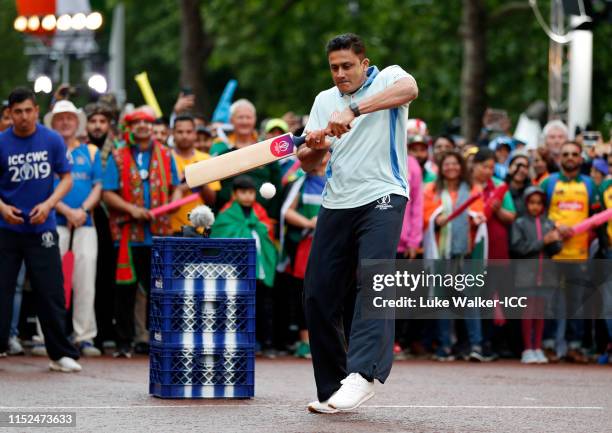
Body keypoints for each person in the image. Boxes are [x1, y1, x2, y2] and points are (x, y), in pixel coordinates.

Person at [296, 33, 418, 413]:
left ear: (364, 63)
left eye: (347, 65)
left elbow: (410, 88)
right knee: (317, 294)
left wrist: (354, 110)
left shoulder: (388, 79)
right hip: (337, 201)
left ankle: (363, 374)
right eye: (334, 67)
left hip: (384, 193)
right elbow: (308, 162)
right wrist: (314, 146)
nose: (340, 73)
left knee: (374, 279)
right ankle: (334, 387)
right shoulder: (323, 101)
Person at [0, 87, 81, 371]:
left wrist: (48, 205)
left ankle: (60, 354)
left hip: (42, 227)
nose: (23, 117)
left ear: (36, 111)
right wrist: (1, 207)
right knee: (2, 290)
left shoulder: (52, 140)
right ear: (9, 114)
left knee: (51, 292)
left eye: (28, 111)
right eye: (17, 112)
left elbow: (67, 179)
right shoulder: (1, 142)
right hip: (6, 228)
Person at [102, 108, 179, 358]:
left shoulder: (166, 155)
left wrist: (169, 205)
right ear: (130, 127)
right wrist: (132, 209)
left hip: (158, 231)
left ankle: (151, 338)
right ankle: (124, 340)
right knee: (125, 289)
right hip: (128, 233)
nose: (143, 127)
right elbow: (107, 193)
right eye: (138, 123)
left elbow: (176, 187)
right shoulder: (117, 155)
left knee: (157, 287)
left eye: (147, 122)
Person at [30, 100, 102, 357]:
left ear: (77, 121)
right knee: (48, 281)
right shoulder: (45, 150)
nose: (65, 122)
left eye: (69, 118)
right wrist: (66, 210)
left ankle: (85, 336)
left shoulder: (90, 152)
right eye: (60, 118)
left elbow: (97, 186)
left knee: (85, 280)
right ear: (52, 122)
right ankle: (43, 336)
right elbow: (44, 187)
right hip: (52, 220)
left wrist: (82, 210)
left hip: (85, 222)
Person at [540, 141, 598, 364]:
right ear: (559, 158)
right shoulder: (549, 182)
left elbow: (596, 216)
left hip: (580, 253)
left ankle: (574, 346)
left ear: (581, 158)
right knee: (551, 302)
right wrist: (555, 227)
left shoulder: (590, 184)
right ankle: (548, 345)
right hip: (554, 253)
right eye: (566, 154)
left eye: (574, 153)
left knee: (577, 303)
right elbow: (539, 213)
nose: (570, 157)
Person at [210, 176, 277, 355]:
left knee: (264, 306)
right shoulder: (226, 213)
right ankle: (241, 342)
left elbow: (267, 231)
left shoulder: (259, 211)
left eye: (250, 192)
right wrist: (248, 229)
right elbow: (222, 236)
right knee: (238, 306)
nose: (247, 196)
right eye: (243, 192)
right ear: (234, 194)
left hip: (260, 269)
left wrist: (257, 228)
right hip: (237, 271)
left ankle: (267, 343)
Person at [510, 186, 563, 364]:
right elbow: (518, 248)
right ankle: (527, 348)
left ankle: (537, 347)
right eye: (532, 203)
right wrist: (543, 241)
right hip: (526, 276)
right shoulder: (520, 223)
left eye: (539, 203)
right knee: (527, 312)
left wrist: (557, 239)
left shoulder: (549, 223)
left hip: (546, 276)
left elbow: (555, 250)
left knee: (541, 312)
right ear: (526, 204)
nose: (535, 206)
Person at [209, 99, 283, 217]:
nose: (244, 121)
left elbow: (277, 187)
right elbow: (216, 190)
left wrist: (273, 219)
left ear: (254, 120)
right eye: (240, 117)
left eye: (248, 117)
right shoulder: (221, 151)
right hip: (228, 218)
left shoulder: (267, 150)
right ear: (231, 120)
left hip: (262, 219)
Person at [84, 102, 117, 350]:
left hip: (108, 220)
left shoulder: (116, 152)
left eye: (102, 121)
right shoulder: (80, 150)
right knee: (84, 277)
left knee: (106, 276)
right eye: (93, 121)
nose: (97, 126)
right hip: (82, 215)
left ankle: (105, 330)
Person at [170, 115, 220, 234]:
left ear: (195, 133)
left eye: (188, 131)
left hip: (199, 229)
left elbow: (212, 200)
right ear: (172, 134)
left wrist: (199, 181)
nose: (184, 136)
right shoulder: (164, 158)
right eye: (180, 132)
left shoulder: (207, 159)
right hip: (171, 229)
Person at [506, 153, 531, 218]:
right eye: (518, 165)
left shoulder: (532, 193)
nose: (521, 170)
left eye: (525, 167)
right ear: (509, 167)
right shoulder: (500, 188)